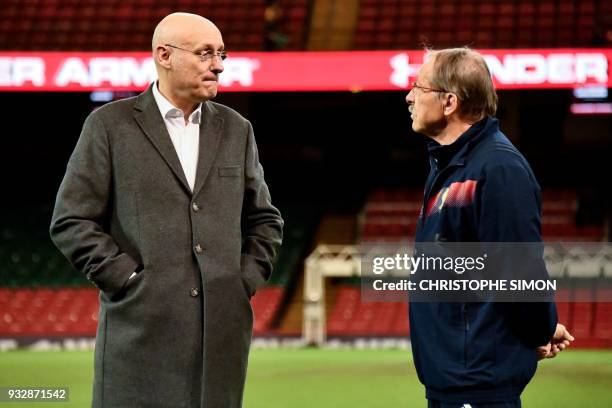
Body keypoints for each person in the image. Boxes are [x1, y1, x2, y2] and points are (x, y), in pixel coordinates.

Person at [50, 12, 283, 408]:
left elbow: (265, 219)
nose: (219, 65)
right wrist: (127, 279)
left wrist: (241, 280)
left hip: (220, 339)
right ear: (164, 55)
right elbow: (71, 220)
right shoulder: (109, 125)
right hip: (138, 335)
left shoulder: (237, 128)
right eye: (206, 53)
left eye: (222, 54)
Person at [405, 48, 573, 408]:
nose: (409, 97)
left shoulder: (498, 169)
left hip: (477, 385)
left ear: (449, 101)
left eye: (418, 88)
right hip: (455, 380)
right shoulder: (449, 165)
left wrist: (540, 327)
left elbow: (518, 272)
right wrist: (542, 328)